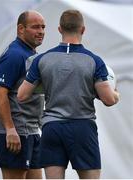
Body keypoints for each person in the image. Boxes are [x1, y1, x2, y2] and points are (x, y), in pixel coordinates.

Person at [17, 10, 120, 179]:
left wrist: (48, 83)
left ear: (59, 29)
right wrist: (116, 94)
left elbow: (21, 95)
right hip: (82, 127)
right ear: (83, 30)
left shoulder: (41, 60)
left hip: (52, 128)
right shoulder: (94, 60)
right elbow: (108, 99)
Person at [0, 10, 45, 179]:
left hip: (30, 131)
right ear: (21, 29)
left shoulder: (31, 54)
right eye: (35, 27)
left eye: (43, 27)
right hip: (15, 132)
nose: (41, 31)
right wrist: (10, 129)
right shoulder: (14, 54)